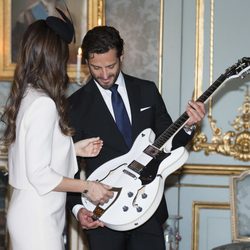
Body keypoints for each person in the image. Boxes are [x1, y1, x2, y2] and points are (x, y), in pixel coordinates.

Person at [67, 26, 206, 250]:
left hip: (148, 209)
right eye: (96, 67)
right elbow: (67, 166)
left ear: (121, 57)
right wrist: (77, 209)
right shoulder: (75, 105)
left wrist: (189, 126)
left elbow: (169, 144)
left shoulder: (147, 91)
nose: (104, 75)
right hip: (103, 215)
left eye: (110, 66)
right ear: (87, 64)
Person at [1, 10, 113, 250]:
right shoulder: (44, 104)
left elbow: (31, 158)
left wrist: (72, 149)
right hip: (37, 218)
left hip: (29, 211)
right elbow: (40, 174)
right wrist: (87, 187)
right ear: (54, 58)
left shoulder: (28, 94)